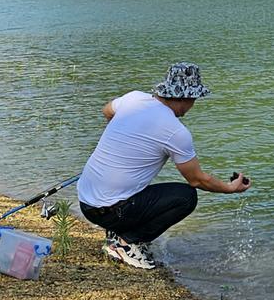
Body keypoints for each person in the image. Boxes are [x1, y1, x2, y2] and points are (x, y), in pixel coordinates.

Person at [77, 62, 250, 269]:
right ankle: (126, 243)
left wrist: (128, 137)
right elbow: (197, 179)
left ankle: (117, 232)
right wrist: (230, 188)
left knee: (136, 191)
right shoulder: (175, 131)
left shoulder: (134, 98)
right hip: (111, 210)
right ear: (187, 98)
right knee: (185, 197)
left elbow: (107, 111)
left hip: (86, 202)